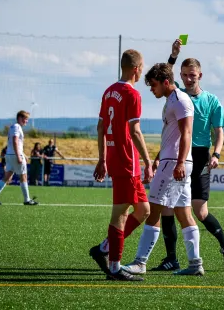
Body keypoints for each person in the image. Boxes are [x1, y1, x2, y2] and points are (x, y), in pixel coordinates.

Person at [149, 39, 224, 272]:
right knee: (168, 207)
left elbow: (219, 132)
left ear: (200, 75)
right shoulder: (177, 94)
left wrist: (216, 154)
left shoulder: (211, 101)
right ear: (180, 75)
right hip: (176, 154)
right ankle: (171, 258)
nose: (189, 79)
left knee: (199, 210)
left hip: (199, 156)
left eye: (193, 75)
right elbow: (163, 77)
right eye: (185, 75)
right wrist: (173, 54)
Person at [122, 62, 204, 277]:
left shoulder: (180, 101)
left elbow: (187, 133)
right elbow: (172, 136)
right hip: (172, 161)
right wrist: (159, 158)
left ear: (166, 82)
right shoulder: (173, 99)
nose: (151, 89)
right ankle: (195, 264)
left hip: (174, 164)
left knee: (153, 210)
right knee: (183, 213)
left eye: (154, 85)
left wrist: (177, 162)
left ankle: (140, 262)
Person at [89, 49, 154, 282]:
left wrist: (102, 159)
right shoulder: (131, 94)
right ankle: (115, 268)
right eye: (142, 66)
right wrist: (148, 161)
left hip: (119, 160)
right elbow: (135, 131)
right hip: (127, 161)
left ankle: (105, 248)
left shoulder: (108, 92)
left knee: (143, 210)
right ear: (136, 69)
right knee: (120, 214)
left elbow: (100, 128)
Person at [0, 111, 39, 206]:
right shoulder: (17, 127)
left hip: (10, 154)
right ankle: (27, 200)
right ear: (20, 118)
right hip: (15, 155)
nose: (26, 121)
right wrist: (19, 156)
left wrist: (23, 154)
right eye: (25, 119)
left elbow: (15, 143)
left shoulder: (13, 127)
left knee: (7, 177)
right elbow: (15, 141)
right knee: (23, 176)